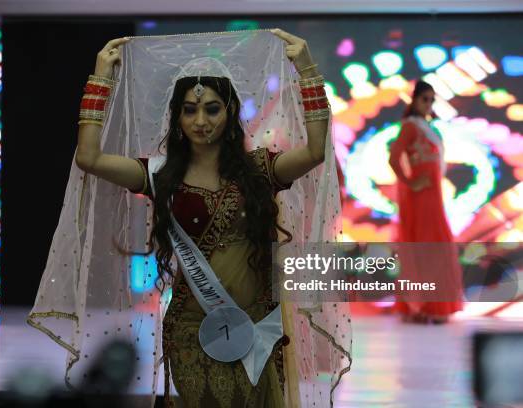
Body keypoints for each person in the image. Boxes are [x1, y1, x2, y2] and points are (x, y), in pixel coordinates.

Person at [29, 30, 350, 408]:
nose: (200, 120)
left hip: (257, 328)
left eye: (212, 108)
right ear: (177, 116)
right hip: (192, 331)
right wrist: (100, 79)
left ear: (230, 111)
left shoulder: (259, 170)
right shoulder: (161, 175)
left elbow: (315, 151)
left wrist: (308, 70)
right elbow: (90, 159)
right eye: (190, 109)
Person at [388, 80, 463, 324]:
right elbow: (394, 158)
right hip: (420, 198)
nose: (429, 104)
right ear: (414, 100)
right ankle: (424, 306)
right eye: (425, 99)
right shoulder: (411, 126)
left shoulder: (427, 126)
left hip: (433, 196)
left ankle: (430, 306)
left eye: (432, 100)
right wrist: (410, 183)